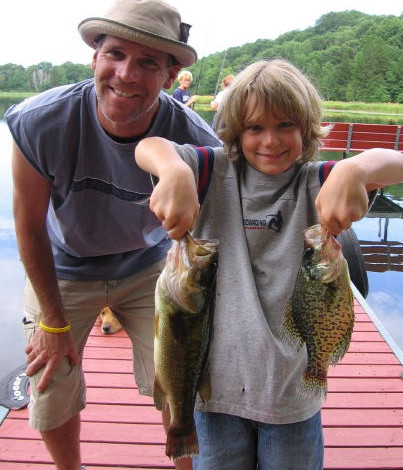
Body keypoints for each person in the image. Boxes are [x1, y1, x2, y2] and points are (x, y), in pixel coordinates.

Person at [135, 58, 403, 469]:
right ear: (235, 131)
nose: (270, 141)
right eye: (254, 128)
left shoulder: (317, 182)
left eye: (285, 126)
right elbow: (148, 147)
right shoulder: (207, 171)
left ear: (306, 128)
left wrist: (355, 167)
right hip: (213, 390)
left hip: (291, 392)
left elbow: (396, 163)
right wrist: (172, 169)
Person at [5, 0, 220, 469]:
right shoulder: (38, 121)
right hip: (63, 267)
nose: (126, 74)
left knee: (181, 377)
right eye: (116, 54)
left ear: (168, 77)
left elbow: (232, 219)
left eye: (147, 62)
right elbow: (28, 226)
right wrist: (54, 324)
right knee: (50, 380)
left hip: (150, 269)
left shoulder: (197, 137)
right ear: (94, 57)